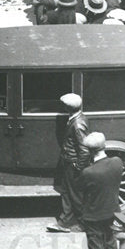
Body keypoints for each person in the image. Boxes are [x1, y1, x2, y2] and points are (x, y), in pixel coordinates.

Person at [76, 132, 123, 249]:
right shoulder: (117, 162)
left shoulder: (88, 172)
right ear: (104, 146)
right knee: (111, 245)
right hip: (113, 212)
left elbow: (80, 190)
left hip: (93, 217)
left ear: (89, 151)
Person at [49, 93, 90, 233]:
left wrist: (78, 166)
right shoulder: (76, 118)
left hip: (72, 164)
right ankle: (65, 222)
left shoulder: (78, 124)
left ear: (68, 108)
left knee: (75, 195)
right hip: (69, 162)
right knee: (66, 192)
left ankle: (85, 224)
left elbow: (84, 148)